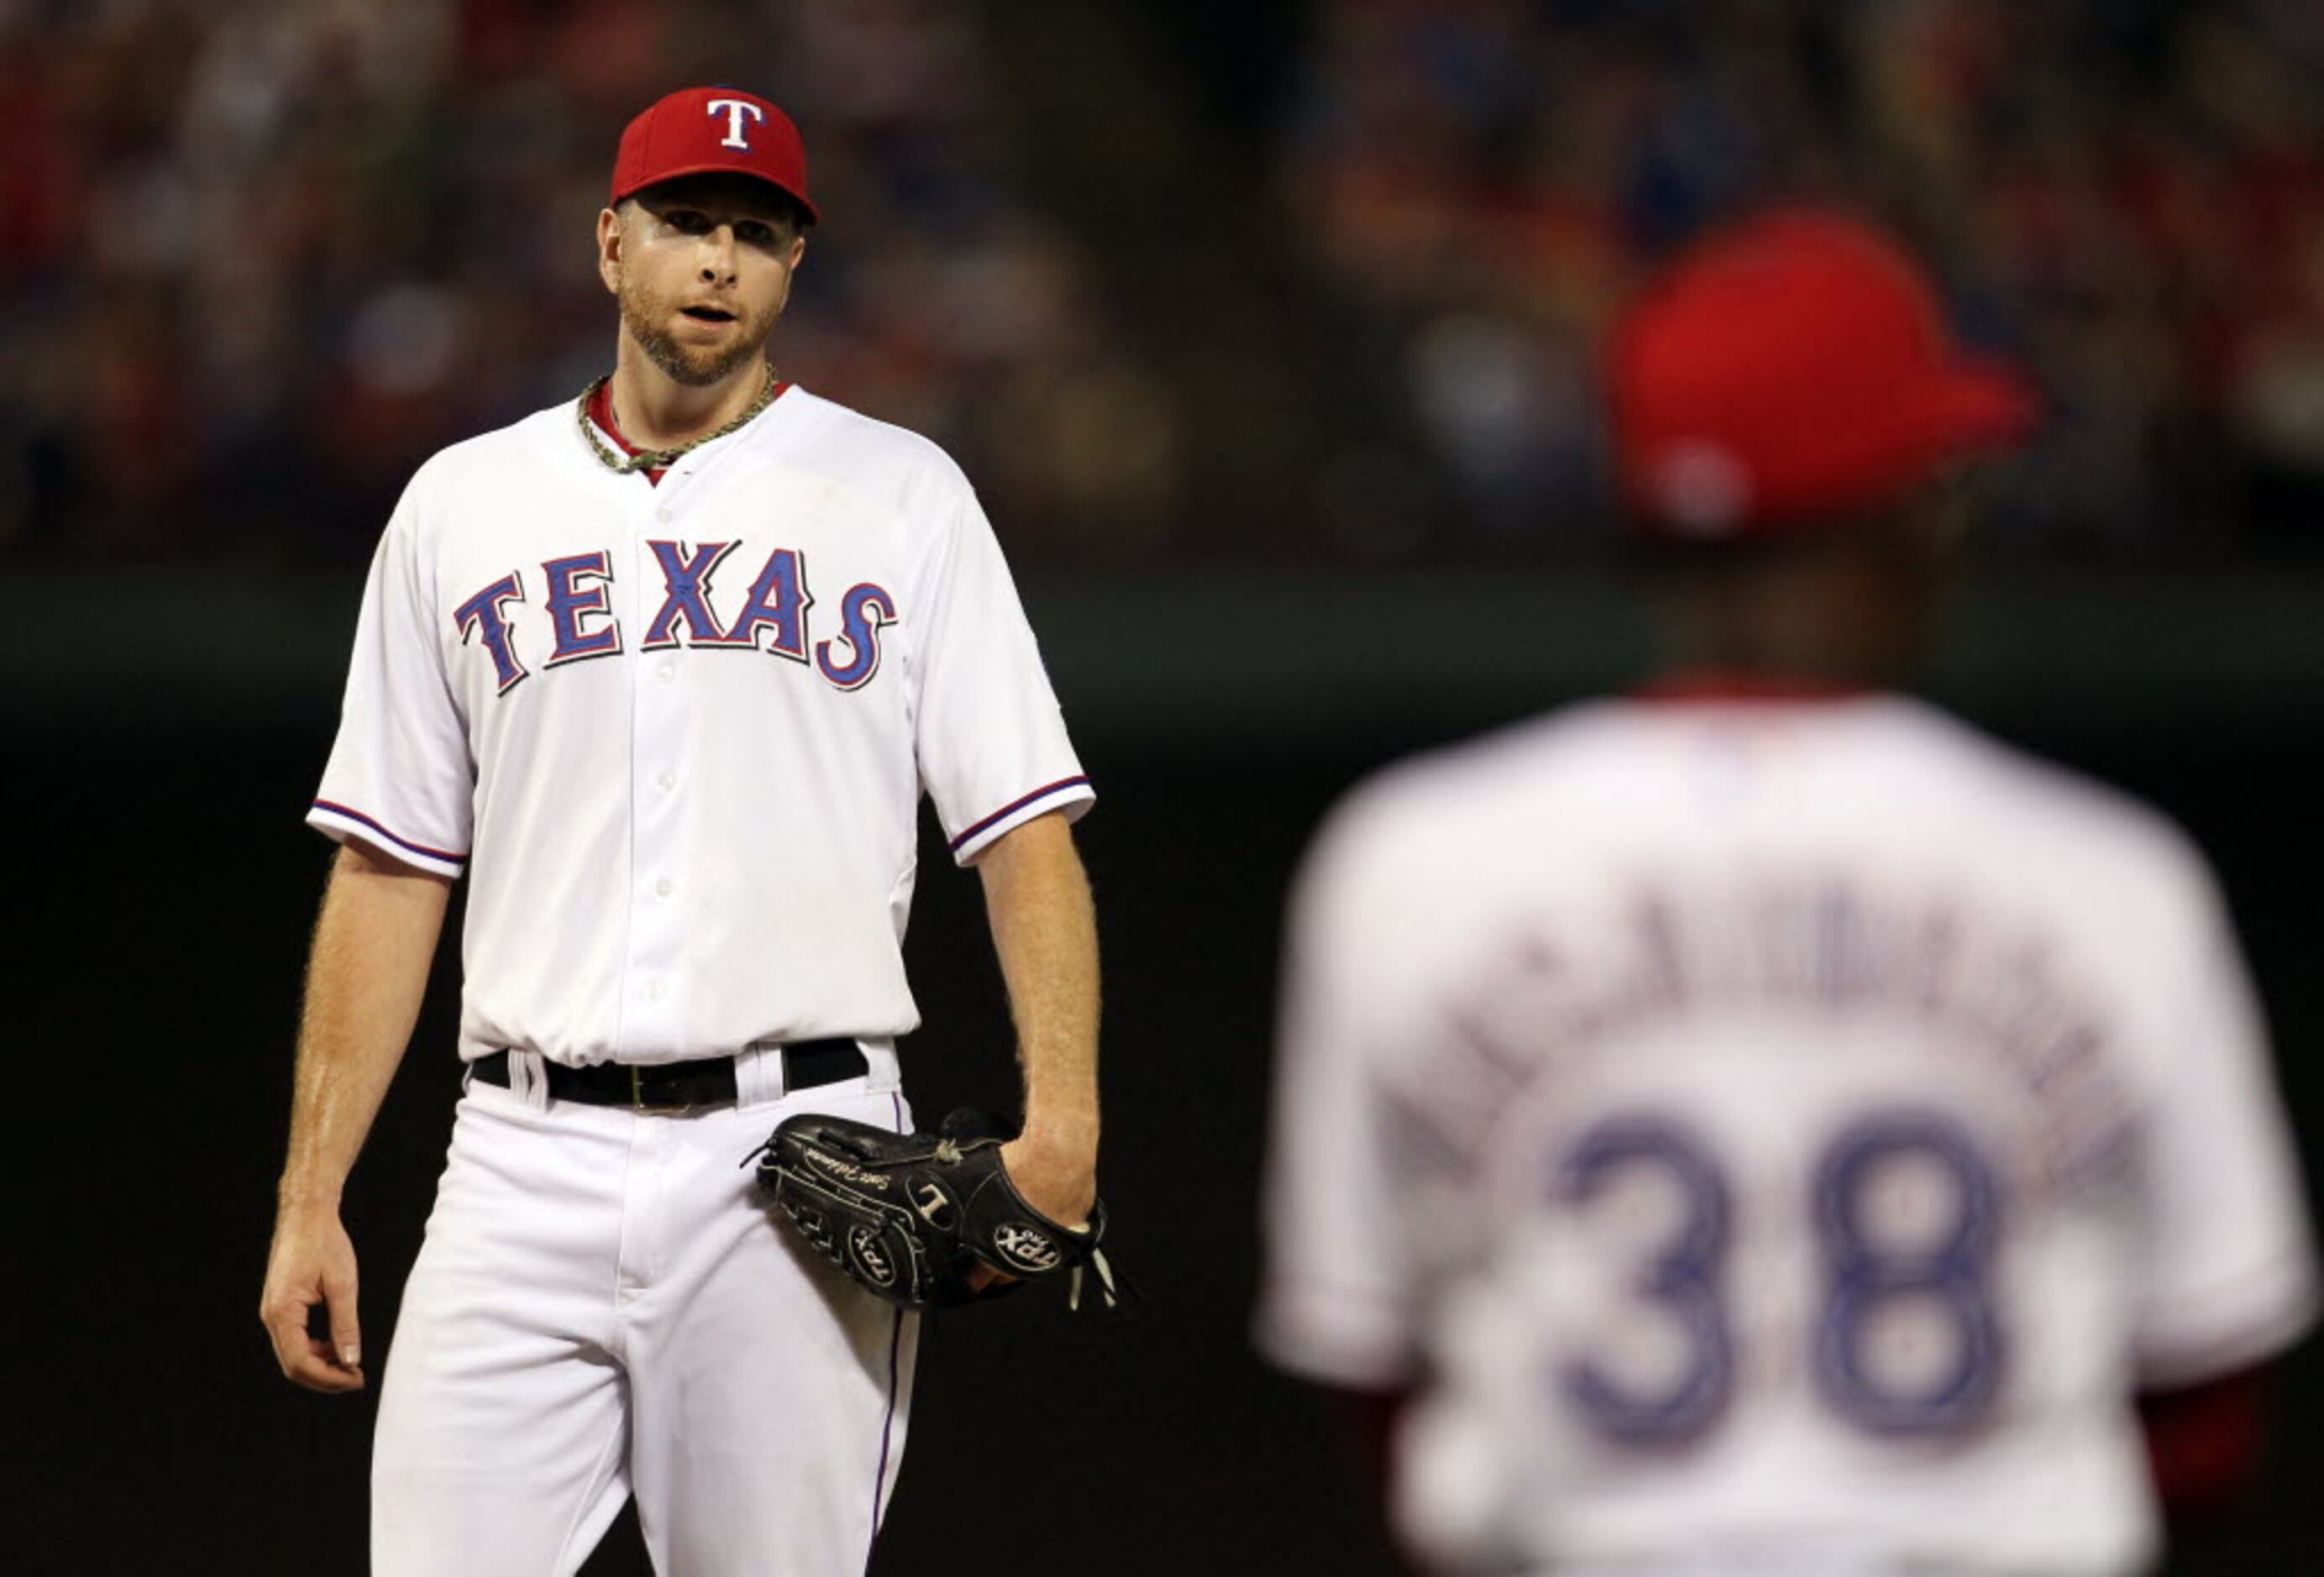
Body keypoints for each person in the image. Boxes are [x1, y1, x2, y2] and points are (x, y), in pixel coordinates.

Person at [1256, 209, 2317, 1574]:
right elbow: (2206, 1423)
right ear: (1908, 514)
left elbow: (1376, 1381)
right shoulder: (2109, 876)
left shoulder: (1403, 860)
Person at [257, 85, 1102, 1575]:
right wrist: (310, 1192)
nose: (718, 259)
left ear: (791, 270)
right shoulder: (463, 504)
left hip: (791, 1161)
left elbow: (1023, 832)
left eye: (756, 232)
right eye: (686, 223)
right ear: (609, 244)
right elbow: (391, 864)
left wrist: (1069, 1124)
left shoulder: (902, 496)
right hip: (515, 1157)